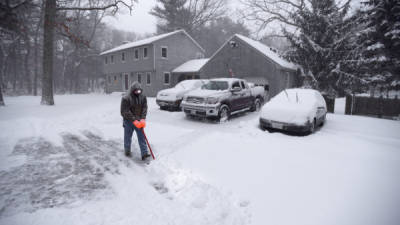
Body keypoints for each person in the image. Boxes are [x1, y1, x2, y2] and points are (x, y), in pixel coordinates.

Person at [120, 82, 150, 160]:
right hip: (128, 121)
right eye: (136, 91)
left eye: (139, 91)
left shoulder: (143, 97)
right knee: (127, 136)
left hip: (139, 121)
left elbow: (144, 108)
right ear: (132, 90)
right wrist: (133, 120)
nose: (137, 92)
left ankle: (144, 153)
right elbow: (124, 111)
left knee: (141, 137)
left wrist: (143, 118)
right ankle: (127, 150)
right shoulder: (126, 98)